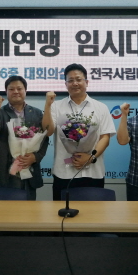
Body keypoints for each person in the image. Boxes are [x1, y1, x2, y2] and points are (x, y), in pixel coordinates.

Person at [50, 63, 116, 201]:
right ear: (65, 84)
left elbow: (105, 137)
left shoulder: (101, 107)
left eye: (78, 79)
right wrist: (47, 104)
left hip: (93, 171)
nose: (75, 83)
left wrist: (90, 158)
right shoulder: (55, 106)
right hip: (64, 172)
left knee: (93, 212)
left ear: (86, 82)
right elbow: (48, 131)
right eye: (70, 80)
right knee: (62, 211)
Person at [0, 76, 55, 200]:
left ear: (25, 90)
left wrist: (35, 157)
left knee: (29, 208)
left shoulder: (36, 113)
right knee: (3, 209)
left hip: (29, 169)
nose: (16, 91)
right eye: (11, 89)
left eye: (19, 88)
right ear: (6, 91)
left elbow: (44, 138)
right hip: (4, 171)